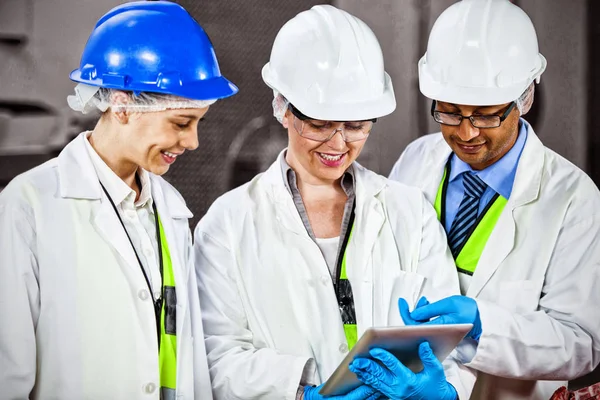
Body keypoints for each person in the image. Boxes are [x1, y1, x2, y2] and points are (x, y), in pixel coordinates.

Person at [194, 5, 470, 400]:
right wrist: (301, 393)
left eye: (356, 125)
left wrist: (444, 392)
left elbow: (446, 347)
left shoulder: (410, 212)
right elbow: (215, 359)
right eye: (321, 123)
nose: (339, 144)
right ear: (283, 107)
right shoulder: (228, 225)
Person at [0, 2, 237, 399]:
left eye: (199, 123)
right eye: (181, 123)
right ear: (123, 104)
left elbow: (185, 353)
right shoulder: (30, 206)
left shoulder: (171, 207)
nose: (193, 142)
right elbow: (7, 375)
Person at [389, 0, 600, 399]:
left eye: (486, 115)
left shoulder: (575, 200)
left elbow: (582, 341)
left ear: (525, 98)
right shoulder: (416, 160)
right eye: (450, 113)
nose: (467, 134)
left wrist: (484, 327)